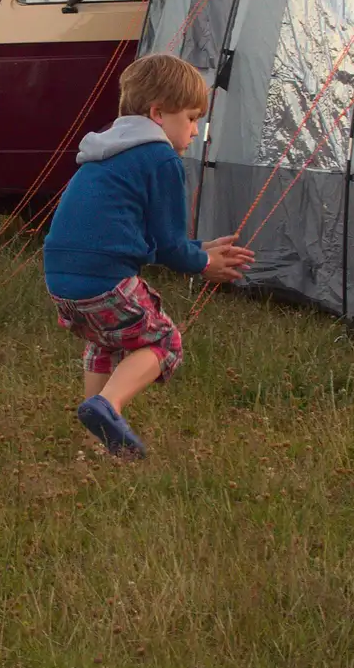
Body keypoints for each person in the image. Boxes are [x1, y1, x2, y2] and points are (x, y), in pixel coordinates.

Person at [43, 53, 254, 458]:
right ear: (158, 113)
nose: (196, 130)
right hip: (105, 278)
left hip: (61, 278)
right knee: (164, 340)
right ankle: (107, 405)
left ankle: (97, 438)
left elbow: (151, 239)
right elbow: (171, 247)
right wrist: (205, 263)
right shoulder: (160, 158)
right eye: (191, 118)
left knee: (104, 341)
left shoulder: (108, 150)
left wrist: (199, 250)